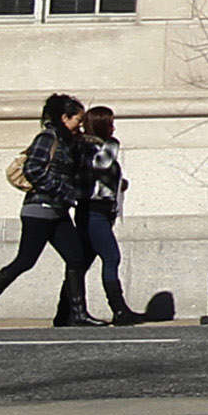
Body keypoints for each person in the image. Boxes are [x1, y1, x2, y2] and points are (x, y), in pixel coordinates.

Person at [0, 94, 97, 330]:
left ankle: (78, 313)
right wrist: (61, 190)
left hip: (57, 210)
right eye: (77, 119)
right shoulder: (47, 138)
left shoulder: (67, 141)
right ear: (63, 117)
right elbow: (33, 169)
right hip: (40, 209)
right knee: (25, 260)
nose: (80, 124)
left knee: (76, 258)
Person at [76, 104, 139, 327]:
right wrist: (113, 144)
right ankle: (119, 309)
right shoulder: (90, 147)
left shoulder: (97, 147)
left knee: (81, 263)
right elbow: (100, 166)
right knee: (111, 257)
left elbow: (101, 176)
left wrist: (119, 184)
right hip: (93, 211)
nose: (113, 127)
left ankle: (68, 310)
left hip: (102, 211)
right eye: (110, 123)